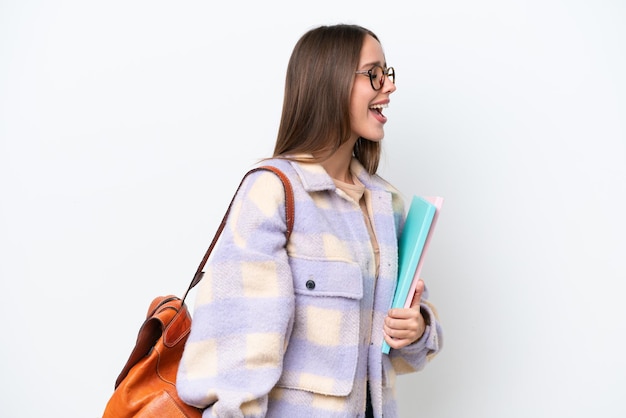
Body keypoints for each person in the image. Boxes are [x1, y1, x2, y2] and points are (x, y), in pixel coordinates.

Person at [176, 23, 443, 417]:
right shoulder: (273, 193)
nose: (388, 86)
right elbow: (237, 352)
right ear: (329, 82)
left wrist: (417, 328)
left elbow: (393, 357)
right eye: (374, 73)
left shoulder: (388, 204)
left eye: (388, 73)